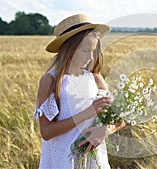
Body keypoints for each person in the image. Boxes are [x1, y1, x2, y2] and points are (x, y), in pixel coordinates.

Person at [33, 14, 125, 169]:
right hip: (62, 162)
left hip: (94, 162)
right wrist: (88, 112)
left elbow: (118, 120)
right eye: (85, 50)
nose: (90, 57)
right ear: (69, 48)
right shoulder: (51, 81)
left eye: (93, 51)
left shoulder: (95, 79)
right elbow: (46, 132)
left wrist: (104, 130)